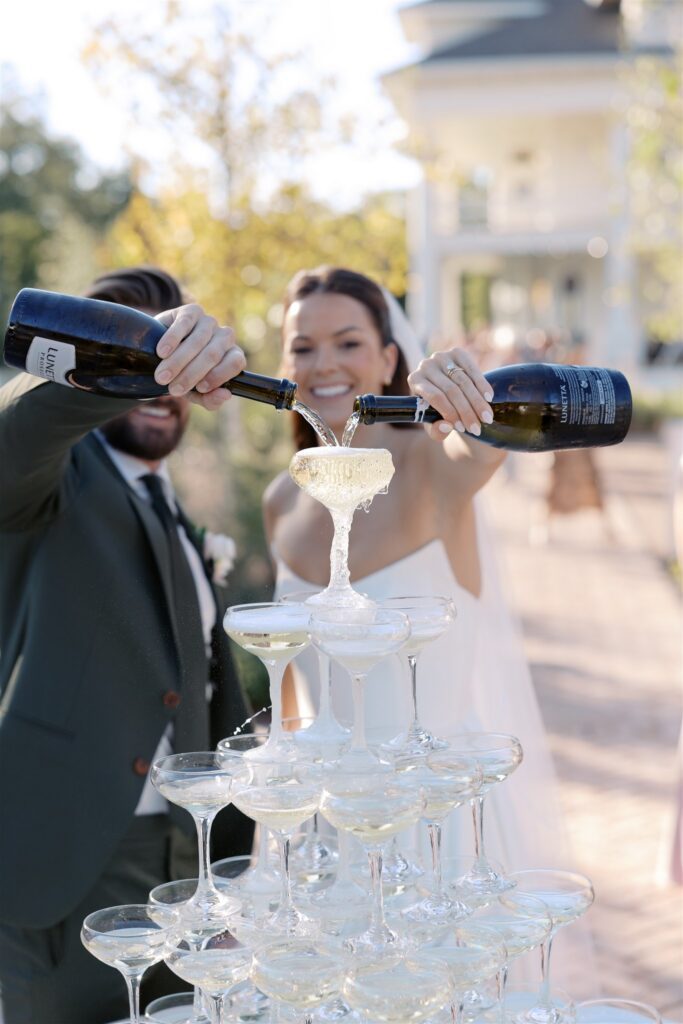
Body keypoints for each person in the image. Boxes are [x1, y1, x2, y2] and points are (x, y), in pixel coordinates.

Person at [0, 267, 254, 1023]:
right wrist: (127, 365)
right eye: (140, 350)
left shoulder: (168, 500)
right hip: (64, 873)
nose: (160, 377)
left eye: (177, 353)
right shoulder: (47, 476)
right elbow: (17, 436)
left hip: (185, 868)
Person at [264, 265, 571, 875]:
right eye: (303, 347)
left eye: (347, 343)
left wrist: (465, 390)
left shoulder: (437, 468)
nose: (323, 363)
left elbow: (483, 445)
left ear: (388, 360)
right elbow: (295, 699)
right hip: (326, 826)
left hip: (438, 816)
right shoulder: (280, 499)